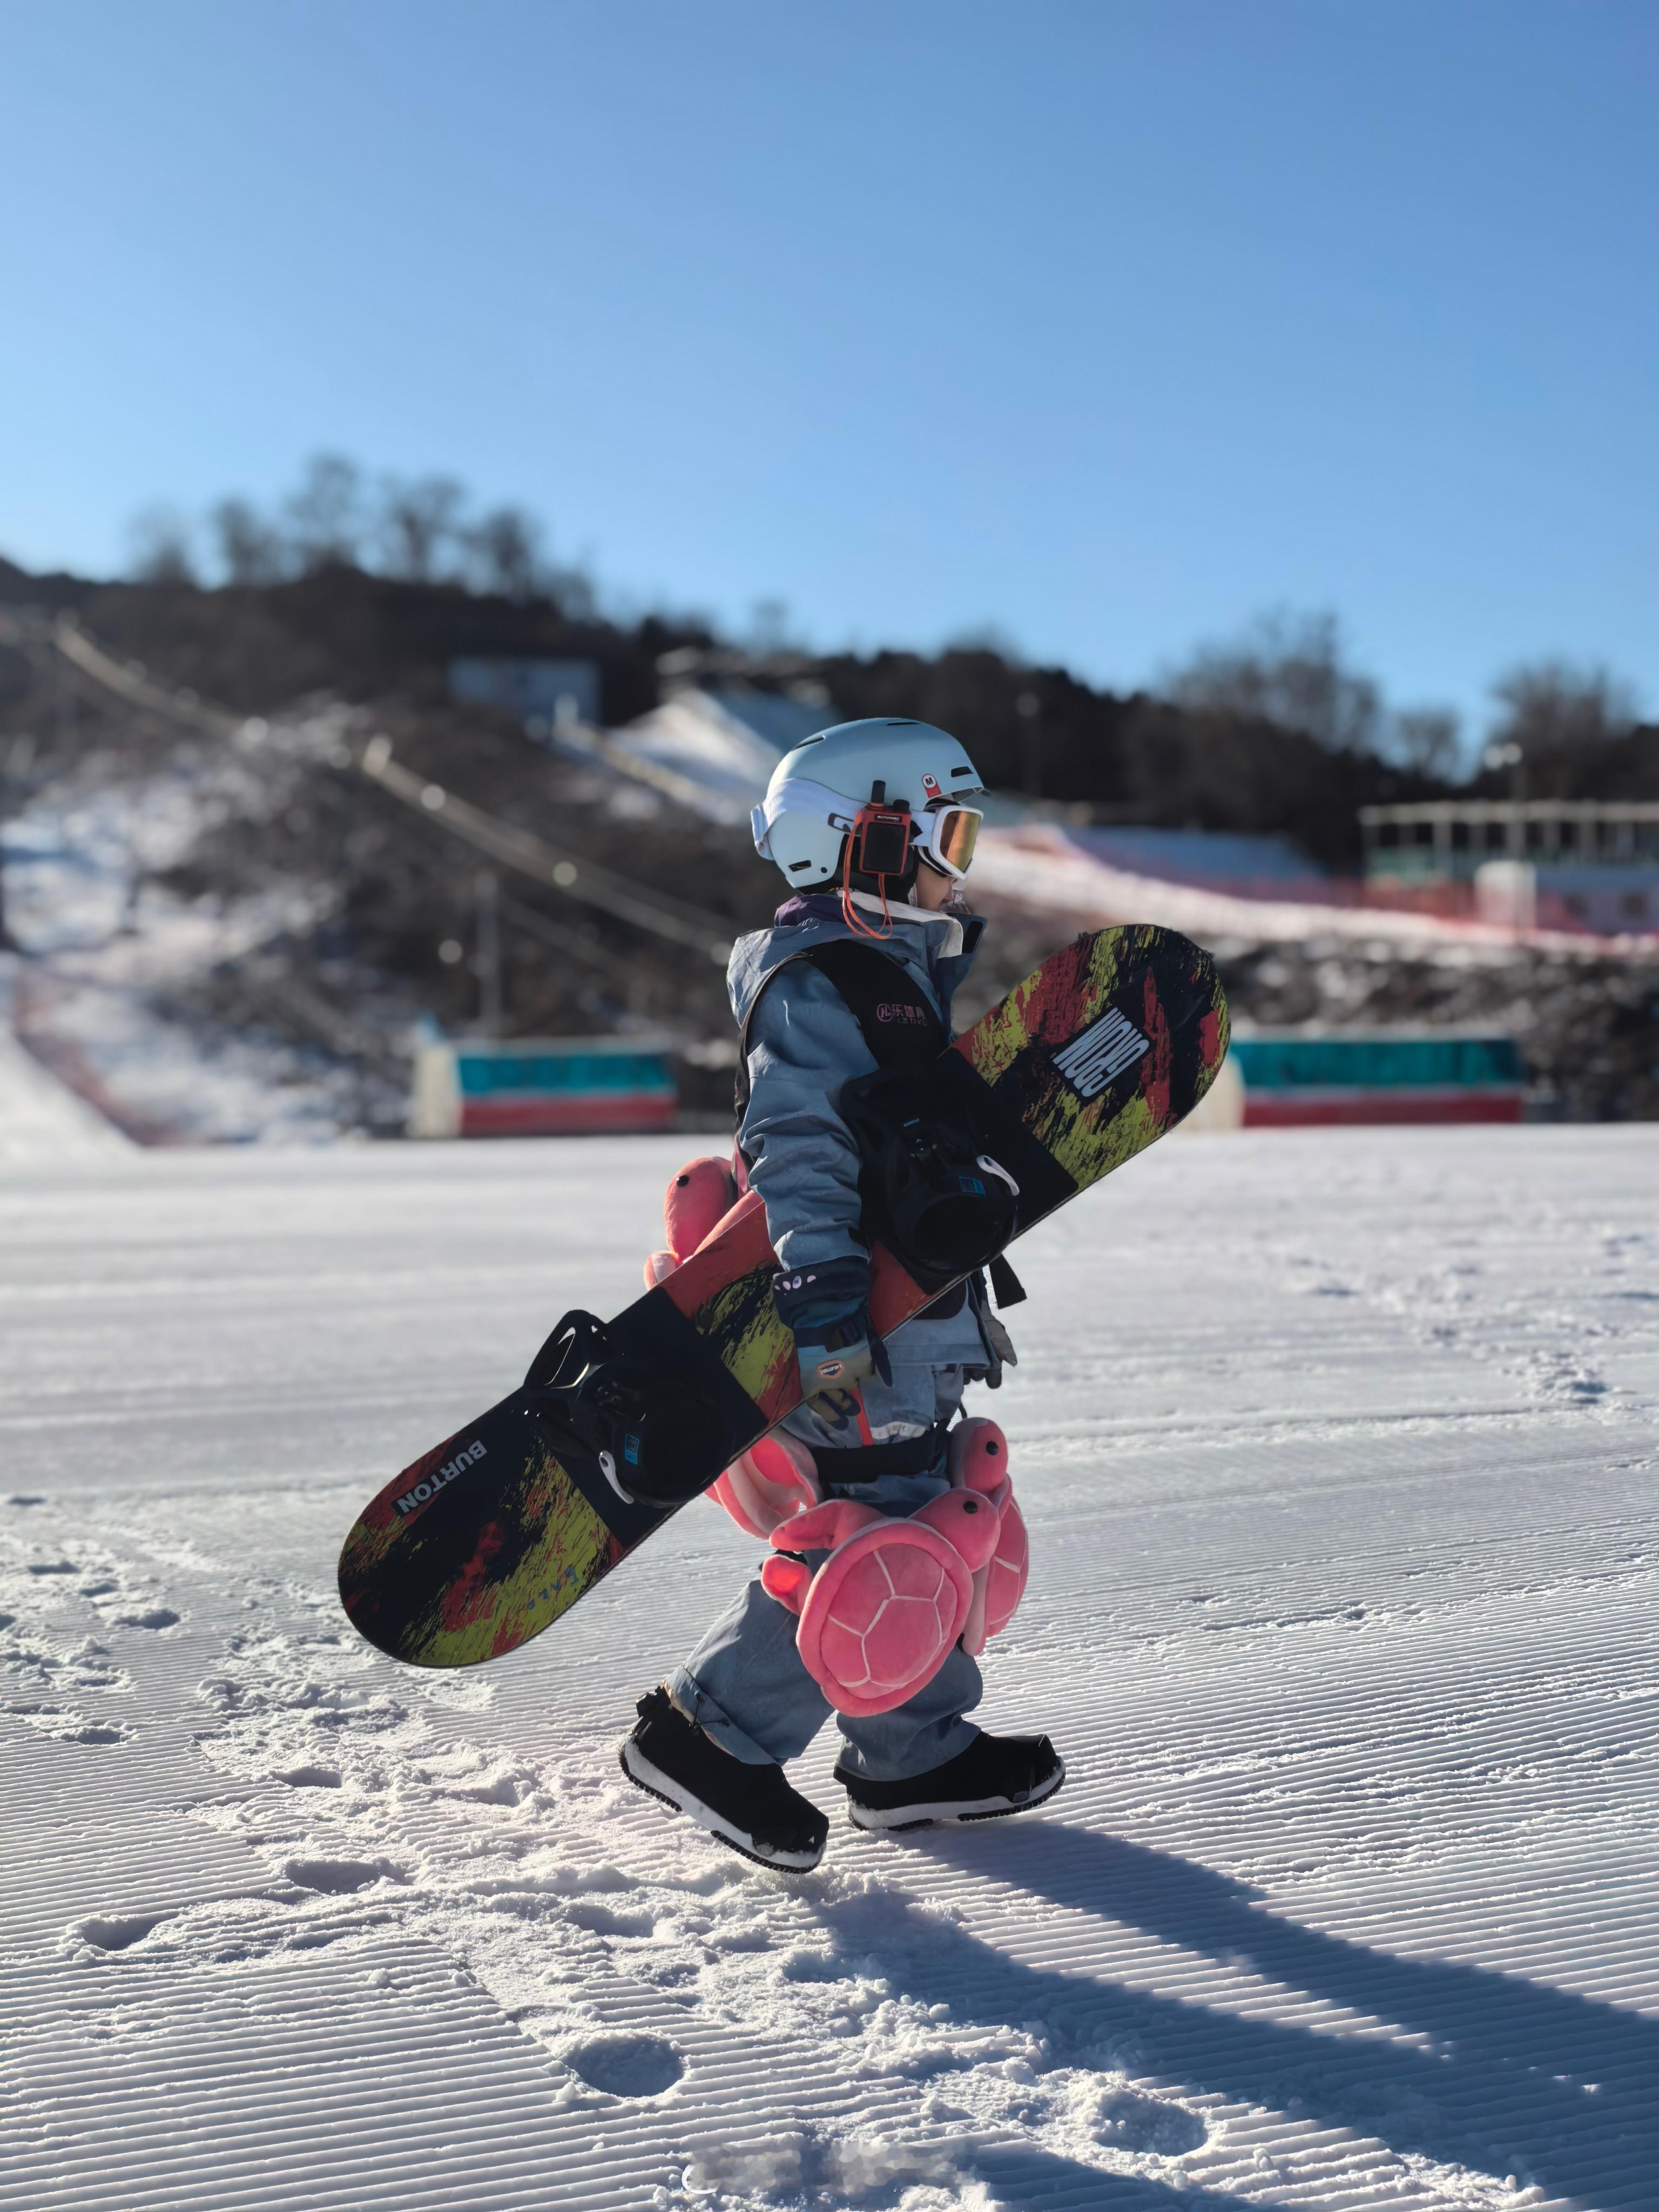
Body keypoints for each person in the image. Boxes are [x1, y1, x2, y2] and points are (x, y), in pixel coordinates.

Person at [620, 718, 1063, 1870]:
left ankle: (909, 1751)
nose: (955, 863)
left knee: (928, 1514)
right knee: (869, 1531)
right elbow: (799, 1149)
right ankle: (706, 1733)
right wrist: (822, 1308)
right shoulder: (822, 983)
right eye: (943, 834)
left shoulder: (891, 976)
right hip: (849, 1321)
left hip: (899, 1317)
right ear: (864, 839)